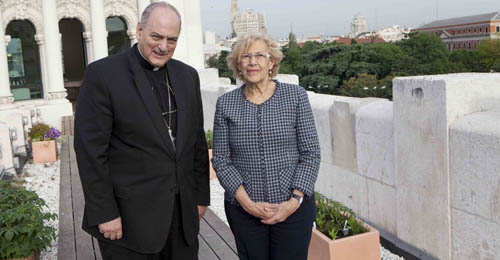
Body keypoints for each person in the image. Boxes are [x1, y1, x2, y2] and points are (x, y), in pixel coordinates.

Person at [74, 2, 209, 259]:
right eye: (156, 36)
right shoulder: (103, 74)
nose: (163, 46)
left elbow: (197, 143)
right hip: (128, 221)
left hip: (182, 218)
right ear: (138, 31)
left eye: (172, 39)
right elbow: (91, 151)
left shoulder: (188, 76)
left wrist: (201, 197)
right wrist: (104, 212)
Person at [212, 32, 321, 260]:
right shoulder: (225, 104)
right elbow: (221, 160)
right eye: (246, 56)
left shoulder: (296, 96)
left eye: (260, 55)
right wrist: (247, 203)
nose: (253, 62)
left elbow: (310, 153)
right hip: (244, 212)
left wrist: (294, 201)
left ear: (271, 62)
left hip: (293, 210)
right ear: (238, 65)